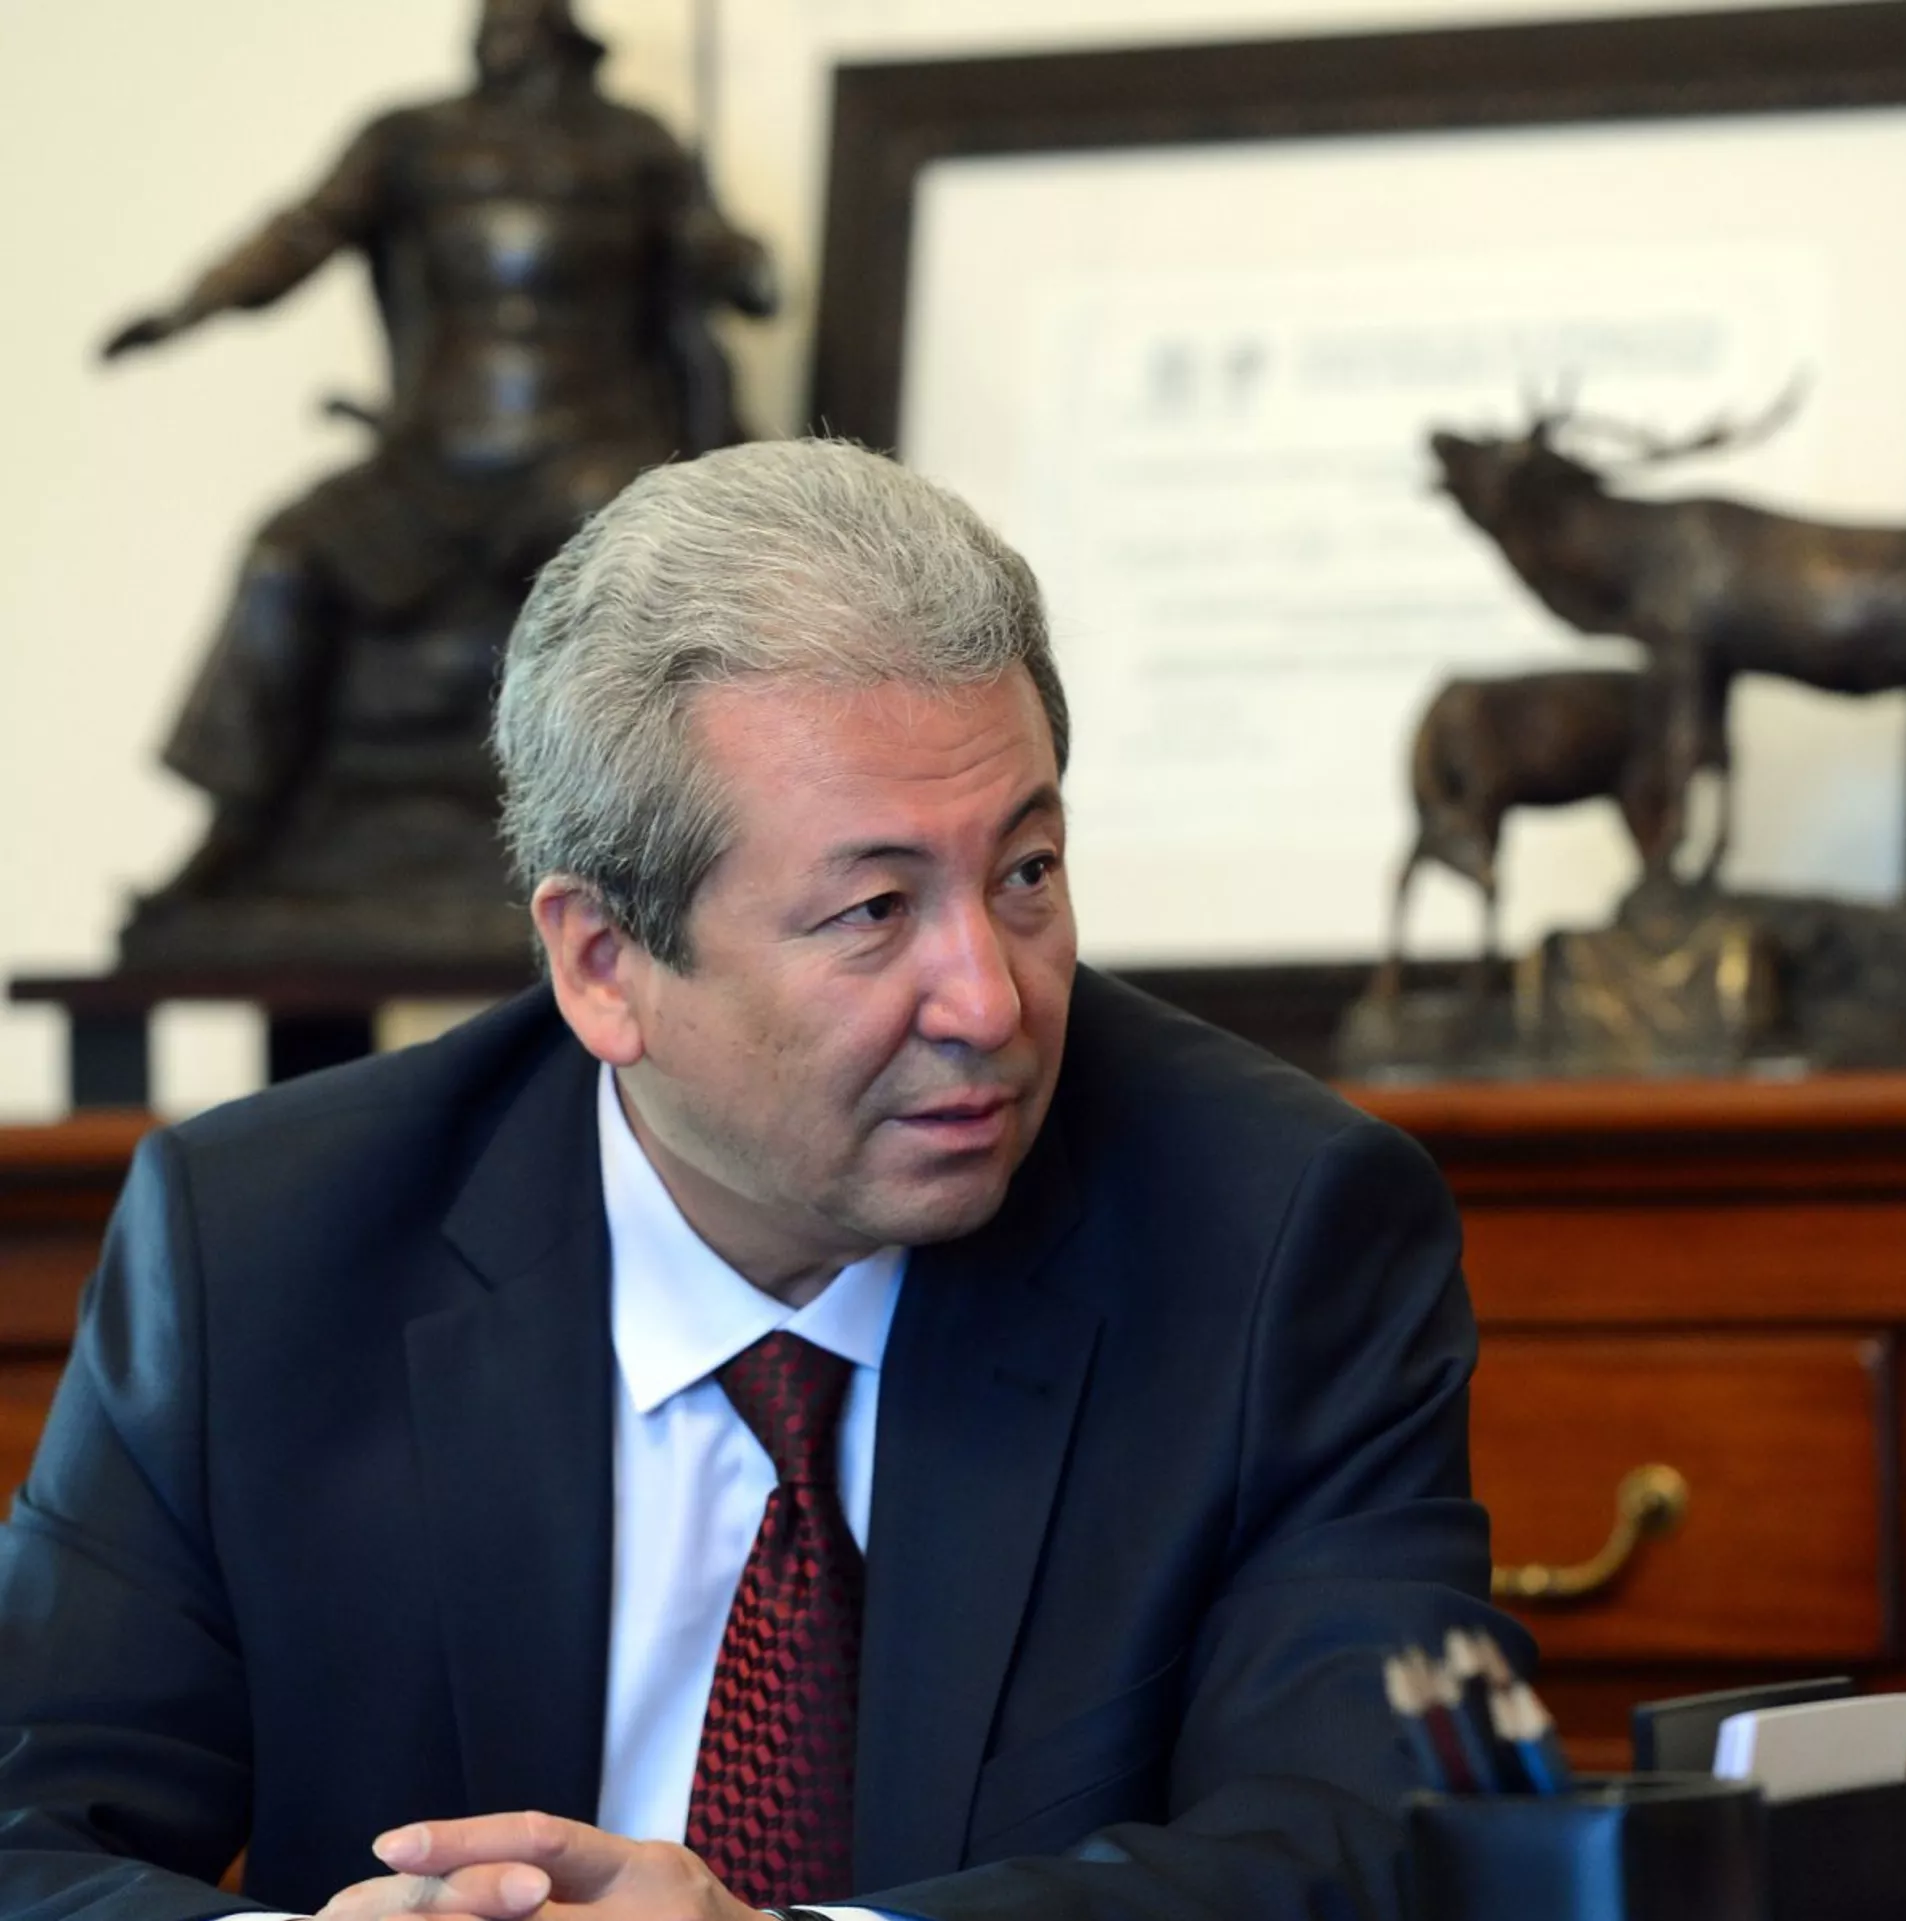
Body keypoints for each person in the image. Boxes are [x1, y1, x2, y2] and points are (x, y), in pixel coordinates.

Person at [0, 439, 1517, 1921]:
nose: (989, 999)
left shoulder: (1276, 1233)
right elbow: (24, 1832)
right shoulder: (261, 1247)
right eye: (874, 909)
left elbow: (1375, 1843)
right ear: (604, 963)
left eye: (1026, 873)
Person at [101, 0, 774, 951]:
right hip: (428, 462)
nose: (501, 31)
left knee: (627, 556)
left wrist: (734, 263)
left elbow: (740, 277)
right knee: (285, 554)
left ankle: (637, 847)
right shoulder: (410, 140)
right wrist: (189, 308)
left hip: (588, 454)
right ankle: (238, 828)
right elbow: (297, 235)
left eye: (521, 19)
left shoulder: (637, 146)